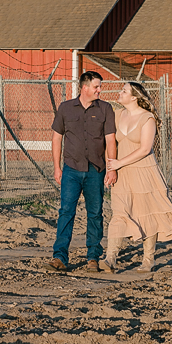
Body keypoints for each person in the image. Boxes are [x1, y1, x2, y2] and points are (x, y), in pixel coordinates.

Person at [101, 82, 172, 273]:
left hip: (145, 172)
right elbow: (109, 142)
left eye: (124, 91)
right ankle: (110, 258)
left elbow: (145, 149)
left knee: (148, 214)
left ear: (134, 97)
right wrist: (110, 167)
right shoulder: (118, 115)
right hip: (122, 174)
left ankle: (148, 260)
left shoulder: (148, 119)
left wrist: (119, 163)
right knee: (119, 213)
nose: (119, 93)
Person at [45, 71, 117, 273]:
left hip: (96, 170)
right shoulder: (66, 108)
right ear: (84, 88)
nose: (99, 90)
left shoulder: (105, 109)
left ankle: (93, 257)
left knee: (95, 214)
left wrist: (111, 168)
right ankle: (60, 257)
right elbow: (57, 138)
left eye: (100, 86)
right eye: (96, 87)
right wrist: (57, 167)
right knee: (66, 212)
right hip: (71, 170)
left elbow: (110, 139)